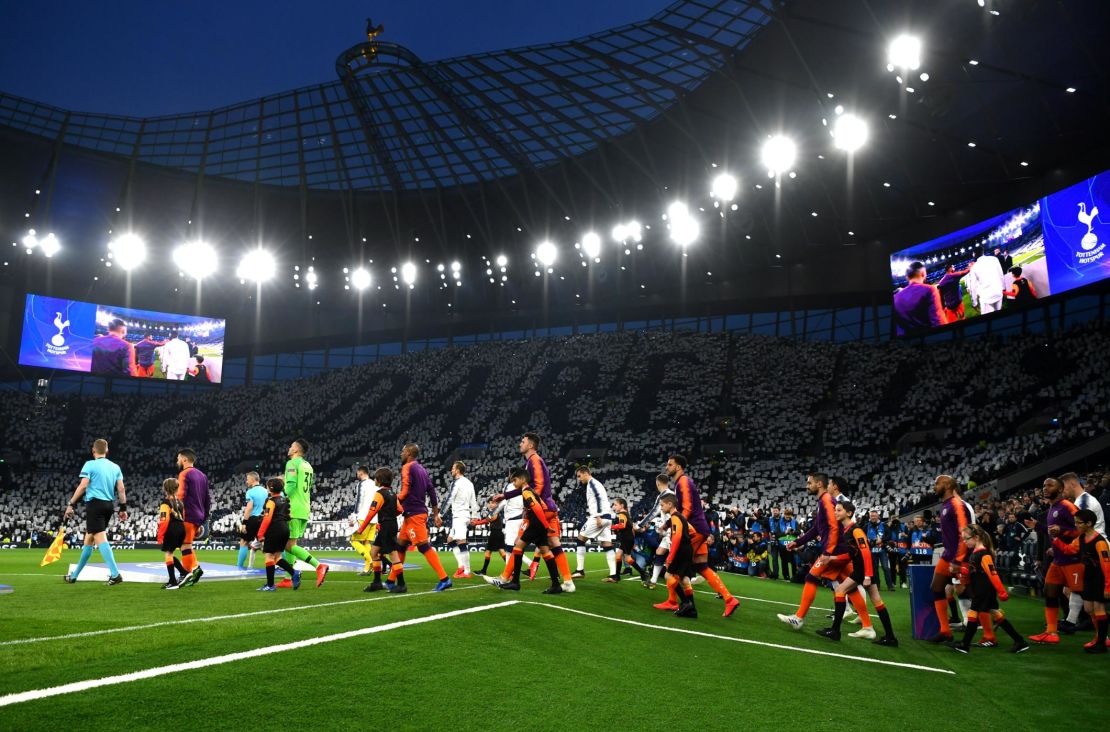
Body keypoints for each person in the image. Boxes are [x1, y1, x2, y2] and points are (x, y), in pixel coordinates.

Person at [486, 433, 575, 593]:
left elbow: (538, 486)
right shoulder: (531, 462)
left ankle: (506, 578)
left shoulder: (534, 461)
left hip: (540, 509)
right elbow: (527, 487)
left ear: (531, 445)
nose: (520, 444)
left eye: (523, 441)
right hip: (548, 508)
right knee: (552, 544)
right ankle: (567, 581)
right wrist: (505, 495)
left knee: (519, 542)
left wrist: (530, 506)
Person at [656, 455, 739, 618]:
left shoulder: (683, 481)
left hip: (694, 530)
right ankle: (729, 599)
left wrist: (676, 528)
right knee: (702, 567)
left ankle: (675, 601)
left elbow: (686, 509)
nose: (667, 467)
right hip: (700, 529)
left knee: (673, 568)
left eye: (670, 464)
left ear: (678, 467)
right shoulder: (682, 482)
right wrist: (667, 525)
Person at [818, 501, 898, 645]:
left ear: (848, 513)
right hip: (865, 568)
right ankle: (891, 637)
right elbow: (851, 554)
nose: (835, 512)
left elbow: (866, 552)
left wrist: (867, 575)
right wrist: (832, 558)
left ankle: (835, 631)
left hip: (863, 569)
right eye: (835, 510)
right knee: (877, 601)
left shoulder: (856, 530)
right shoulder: (847, 530)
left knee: (840, 590)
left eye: (839, 510)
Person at [778, 473, 847, 630]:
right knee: (851, 586)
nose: (807, 486)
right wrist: (797, 542)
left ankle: (799, 618)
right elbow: (816, 529)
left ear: (819, 484)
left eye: (809, 483)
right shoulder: (823, 501)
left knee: (811, 576)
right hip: (840, 548)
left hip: (835, 549)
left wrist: (828, 552)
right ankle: (867, 625)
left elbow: (834, 526)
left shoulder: (826, 500)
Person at [950, 525, 1030, 654]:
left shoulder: (983, 554)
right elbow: (975, 571)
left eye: (966, 539)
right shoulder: (976, 553)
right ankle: (1019, 641)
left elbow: (993, 574)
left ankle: (965, 644)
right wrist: (961, 570)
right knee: (996, 614)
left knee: (973, 613)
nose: (964, 542)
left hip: (983, 590)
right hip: (982, 589)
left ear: (976, 537)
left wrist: (1002, 592)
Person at [386, 443, 452, 593]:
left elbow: (405, 491)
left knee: (423, 546)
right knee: (401, 546)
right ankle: (390, 581)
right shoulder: (422, 469)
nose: (401, 454)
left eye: (403, 451)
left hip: (414, 514)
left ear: (409, 452)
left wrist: (392, 502)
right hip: (413, 514)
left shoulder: (407, 467)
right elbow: (432, 491)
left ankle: (444, 579)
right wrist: (435, 514)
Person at [63, 439, 128, 585]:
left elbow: (83, 486)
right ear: (107, 451)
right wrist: (123, 508)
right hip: (108, 505)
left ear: (93, 450)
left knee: (100, 537)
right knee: (89, 540)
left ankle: (115, 574)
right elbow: (121, 489)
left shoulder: (90, 464)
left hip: (95, 505)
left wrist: (71, 504)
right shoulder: (115, 467)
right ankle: (74, 576)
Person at [923, 475, 975, 644]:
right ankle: (945, 631)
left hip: (960, 557)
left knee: (972, 593)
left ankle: (989, 627)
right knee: (936, 587)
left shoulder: (956, 505)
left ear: (946, 485)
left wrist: (959, 560)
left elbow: (965, 534)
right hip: (948, 555)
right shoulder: (945, 505)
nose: (934, 487)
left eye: (937, 483)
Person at [1029, 477, 1081, 644]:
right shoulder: (1052, 508)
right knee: (1049, 591)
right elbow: (1053, 532)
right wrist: (1037, 526)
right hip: (1058, 560)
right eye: (1044, 485)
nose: (1045, 488)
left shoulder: (1067, 506)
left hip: (1073, 559)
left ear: (1060, 489)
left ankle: (1103, 636)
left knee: (1087, 598)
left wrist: (1063, 531)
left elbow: (1082, 529)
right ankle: (1051, 632)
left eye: (1050, 485)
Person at [1051, 508, 1110, 652]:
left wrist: (1108, 586)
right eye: (1076, 522)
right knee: (1089, 609)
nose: (1076, 525)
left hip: (1099, 578)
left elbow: (1107, 565)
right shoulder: (1081, 538)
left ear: (1089, 523)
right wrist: (1056, 540)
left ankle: (1102, 643)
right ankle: (1099, 637)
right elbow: (1069, 550)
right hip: (1088, 577)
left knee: (1098, 608)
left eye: (1079, 523)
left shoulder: (1099, 541)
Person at [279, 439, 330, 589]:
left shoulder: (292, 463)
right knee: (290, 544)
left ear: (295, 449)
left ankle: (319, 566)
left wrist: (278, 495)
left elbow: (291, 487)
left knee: (287, 545)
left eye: (291, 446)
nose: (289, 448)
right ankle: (288, 577)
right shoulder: (307, 466)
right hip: (304, 507)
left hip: (292, 508)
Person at [1060, 472, 1105, 633]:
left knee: (1095, 598)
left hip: (1095, 551)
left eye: (1063, 487)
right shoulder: (1080, 501)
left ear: (1072, 483)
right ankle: (1079, 623)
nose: (1062, 491)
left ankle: (1076, 623)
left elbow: (1082, 528)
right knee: (1081, 594)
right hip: (1088, 549)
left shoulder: (1084, 501)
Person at [356, 467, 402, 593]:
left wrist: (362, 528)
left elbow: (371, 512)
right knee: (374, 552)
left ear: (379, 480)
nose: (374, 479)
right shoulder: (392, 493)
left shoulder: (380, 493)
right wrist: (389, 517)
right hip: (391, 524)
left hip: (386, 526)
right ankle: (376, 583)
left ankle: (401, 584)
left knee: (393, 554)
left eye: (376, 477)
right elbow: (400, 510)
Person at [254, 477, 300, 592]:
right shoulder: (284, 500)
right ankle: (294, 573)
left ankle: (270, 585)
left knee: (269, 556)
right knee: (277, 557)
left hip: (274, 529)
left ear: (270, 489)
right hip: (284, 529)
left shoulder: (271, 501)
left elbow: (267, 519)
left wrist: (260, 533)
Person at [572, 466, 617, 580]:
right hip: (607, 517)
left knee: (580, 539)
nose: (579, 479)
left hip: (599, 516)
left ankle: (580, 570)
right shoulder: (596, 483)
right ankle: (614, 575)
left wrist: (597, 516)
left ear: (586, 473)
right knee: (606, 544)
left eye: (579, 476)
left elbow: (597, 498)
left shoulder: (592, 483)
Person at [174, 448, 211, 588]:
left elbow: (181, 495)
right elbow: (207, 498)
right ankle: (195, 569)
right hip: (199, 515)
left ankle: (189, 572)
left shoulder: (184, 474)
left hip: (187, 514)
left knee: (184, 545)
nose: (177, 461)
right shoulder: (202, 476)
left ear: (184, 459)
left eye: (178, 458)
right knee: (186, 544)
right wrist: (204, 518)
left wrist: (175, 514)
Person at [659, 493, 698, 618]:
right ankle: (692, 610)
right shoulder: (680, 517)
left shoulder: (675, 517)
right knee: (684, 579)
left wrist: (670, 557)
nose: (661, 508)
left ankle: (686, 603)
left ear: (670, 504)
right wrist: (686, 540)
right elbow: (693, 532)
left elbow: (676, 539)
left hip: (681, 550)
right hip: (687, 549)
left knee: (668, 575)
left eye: (662, 505)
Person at [443, 461, 479, 579]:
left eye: (453, 468)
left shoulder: (457, 482)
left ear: (458, 470)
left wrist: (441, 514)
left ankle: (467, 571)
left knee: (461, 543)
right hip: (464, 515)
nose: (451, 470)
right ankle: (461, 566)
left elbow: (450, 498)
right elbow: (473, 500)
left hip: (459, 516)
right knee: (450, 540)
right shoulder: (469, 483)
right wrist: (474, 515)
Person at [893, 261, 945, 335]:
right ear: (923, 273)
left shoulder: (895, 298)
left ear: (907, 277)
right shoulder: (929, 289)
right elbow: (938, 322)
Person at [641, 473, 675, 589]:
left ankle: (688, 580)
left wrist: (640, 524)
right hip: (669, 530)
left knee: (675, 560)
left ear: (657, 483)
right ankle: (653, 580)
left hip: (673, 531)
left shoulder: (664, 495)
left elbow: (653, 512)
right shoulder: (672, 494)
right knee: (659, 552)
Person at [156, 478, 187, 588]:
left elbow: (164, 521)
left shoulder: (165, 503)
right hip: (181, 527)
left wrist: (160, 535)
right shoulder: (180, 502)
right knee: (170, 553)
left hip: (172, 529)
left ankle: (172, 581)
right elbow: (183, 516)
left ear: (165, 489)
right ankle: (184, 572)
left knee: (168, 554)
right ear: (176, 489)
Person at [610, 498, 648, 583]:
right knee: (618, 556)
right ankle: (617, 576)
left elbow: (622, 525)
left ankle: (643, 573)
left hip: (626, 539)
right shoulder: (626, 514)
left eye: (616, 505)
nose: (614, 506)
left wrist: (611, 526)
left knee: (627, 558)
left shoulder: (621, 514)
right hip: (627, 539)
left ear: (622, 505)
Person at [349, 465, 378, 575]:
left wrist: (354, 515)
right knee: (366, 542)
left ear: (361, 473)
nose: (357, 475)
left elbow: (359, 500)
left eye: (357, 473)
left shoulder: (362, 484)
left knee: (354, 540)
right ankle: (367, 569)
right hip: (374, 518)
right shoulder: (375, 484)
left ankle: (370, 560)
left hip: (363, 517)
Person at [237, 471, 267, 570]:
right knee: (267, 544)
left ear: (253, 479)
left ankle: (239, 567)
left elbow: (249, 508)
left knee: (244, 542)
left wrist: (244, 523)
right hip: (263, 519)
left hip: (253, 519)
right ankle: (280, 566)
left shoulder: (250, 492)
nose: (246, 481)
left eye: (247, 479)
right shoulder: (265, 491)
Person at [471, 500, 507, 577]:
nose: (490, 504)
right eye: (489, 503)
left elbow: (488, 520)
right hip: (499, 533)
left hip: (495, 533)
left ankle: (483, 571)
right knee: (502, 552)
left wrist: (477, 523)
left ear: (496, 504)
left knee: (488, 552)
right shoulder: (494, 511)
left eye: (492, 503)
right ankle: (511, 569)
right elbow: (488, 519)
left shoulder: (495, 512)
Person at [966, 249, 1005, 315]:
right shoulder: (994, 259)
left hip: (986, 297)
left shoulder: (974, 267)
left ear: (974, 254)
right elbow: (1001, 274)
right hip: (998, 292)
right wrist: (1003, 288)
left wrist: (974, 303)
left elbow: (973, 287)